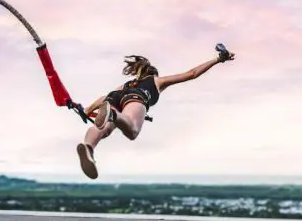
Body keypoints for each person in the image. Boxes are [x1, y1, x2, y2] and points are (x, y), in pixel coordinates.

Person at [76, 44, 236, 179]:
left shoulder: (126, 85)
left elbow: (104, 97)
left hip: (114, 97)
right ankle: (113, 115)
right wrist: (218, 59)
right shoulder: (155, 80)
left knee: (104, 129)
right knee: (132, 130)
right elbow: (191, 74)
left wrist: (87, 110)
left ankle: (89, 147)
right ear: (152, 73)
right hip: (136, 98)